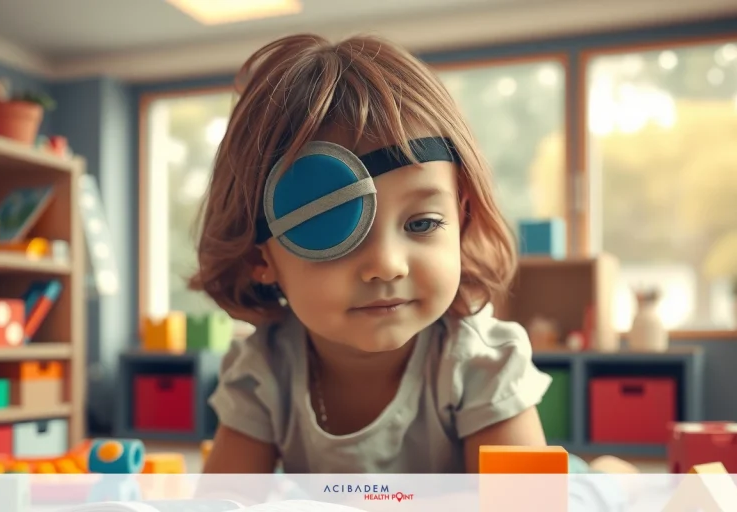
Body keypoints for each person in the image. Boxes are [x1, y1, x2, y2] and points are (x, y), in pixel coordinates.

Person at [190, 32, 632, 476]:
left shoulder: (478, 364)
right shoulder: (264, 371)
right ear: (258, 257)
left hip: (561, 494)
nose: (387, 264)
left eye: (421, 224)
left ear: (461, 220)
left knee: (600, 488)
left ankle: (612, 474)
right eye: (333, 232)